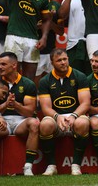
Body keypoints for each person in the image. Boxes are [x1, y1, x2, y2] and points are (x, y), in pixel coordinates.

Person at [38, 48, 91, 176]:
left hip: (76, 115)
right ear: (52, 62)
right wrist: (57, 116)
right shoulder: (45, 81)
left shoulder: (80, 76)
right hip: (56, 117)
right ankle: (51, 166)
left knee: (83, 123)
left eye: (65, 59)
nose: (63, 62)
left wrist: (74, 116)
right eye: (59, 60)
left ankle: (76, 165)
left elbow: (85, 103)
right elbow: (45, 108)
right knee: (45, 125)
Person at [0, 52, 39, 176]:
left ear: (14, 65)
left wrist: (15, 105)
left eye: (3, 64)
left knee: (35, 123)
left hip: (21, 121)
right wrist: (5, 105)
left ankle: (28, 167)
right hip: (1, 120)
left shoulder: (27, 84)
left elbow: (30, 112)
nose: (0, 67)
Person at [58, 0, 93, 76]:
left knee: (92, 76)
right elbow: (62, 15)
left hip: (92, 42)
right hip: (74, 44)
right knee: (74, 76)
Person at [35, 0, 64, 86]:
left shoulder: (56, 5)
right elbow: (27, 26)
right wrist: (44, 20)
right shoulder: (31, 4)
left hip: (51, 53)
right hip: (35, 52)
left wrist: (50, 22)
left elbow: (61, 32)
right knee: (35, 86)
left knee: (51, 87)